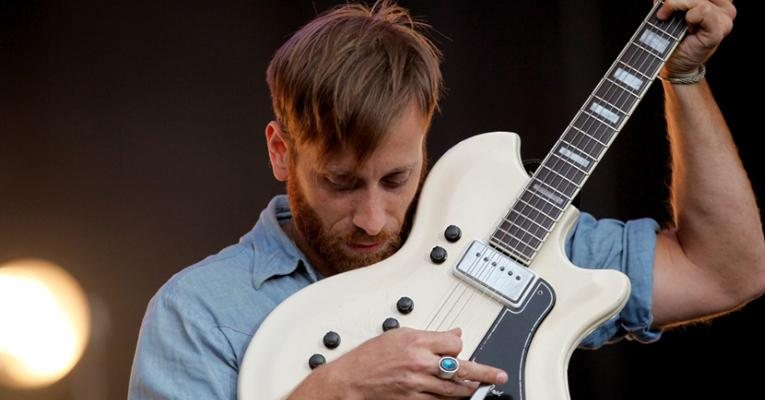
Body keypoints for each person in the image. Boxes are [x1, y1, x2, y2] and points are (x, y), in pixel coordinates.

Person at [128, 0, 763, 399]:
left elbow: (725, 271)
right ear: (279, 151)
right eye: (340, 183)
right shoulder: (201, 312)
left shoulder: (507, 238)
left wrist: (683, 77)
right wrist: (333, 391)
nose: (373, 218)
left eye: (396, 179)